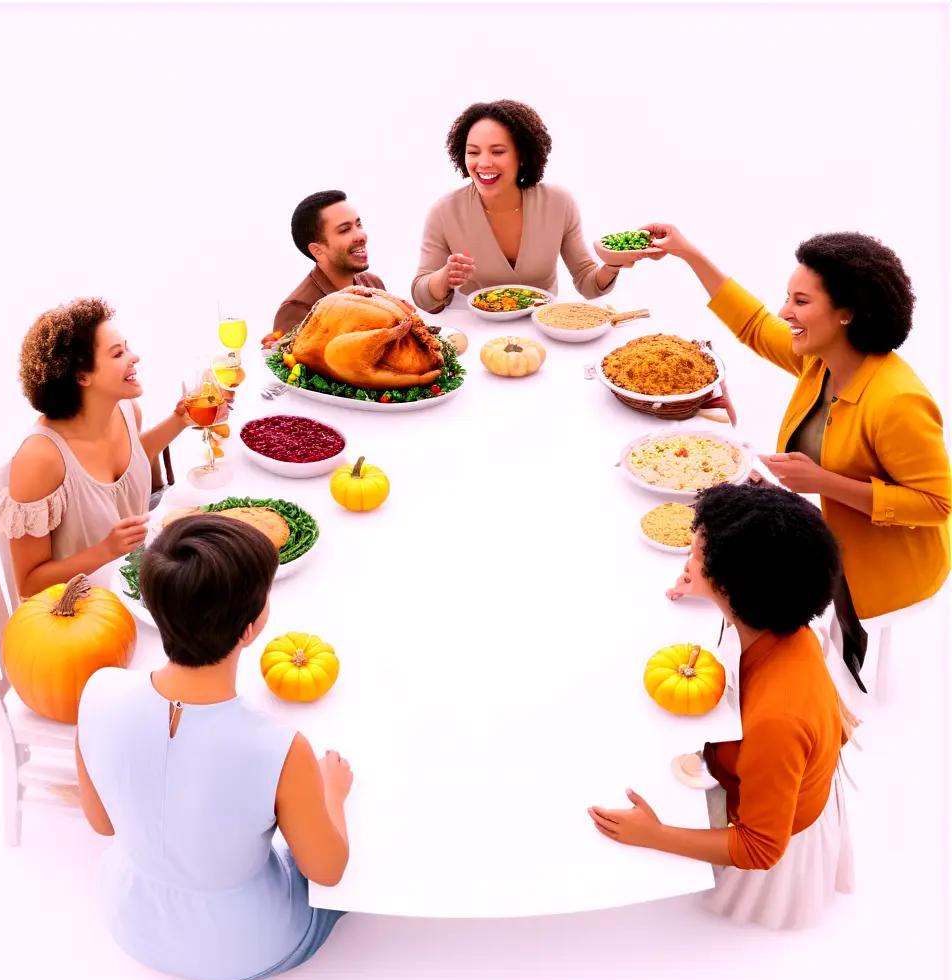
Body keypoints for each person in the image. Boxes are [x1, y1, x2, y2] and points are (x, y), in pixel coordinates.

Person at [653, 225, 950, 676]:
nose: (784, 312)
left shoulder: (898, 402)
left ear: (847, 313)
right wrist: (689, 254)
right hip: (823, 532)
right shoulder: (820, 359)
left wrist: (822, 482)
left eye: (801, 302)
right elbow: (754, 324)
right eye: (788, 297)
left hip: (885, 563)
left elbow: (938, 504)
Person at [76, 514, 352, 980]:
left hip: (132, 920)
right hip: (245, 946)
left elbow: (103, 823)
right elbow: (327, 871)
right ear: (250, 628)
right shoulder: (281, 748)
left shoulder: (98, 690)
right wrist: (333, 794)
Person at [589, 483, 853, 930]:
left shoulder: (777, 721)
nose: (686, 562)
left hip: (774, 831)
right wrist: (708, 591)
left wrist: (654, 836)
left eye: (696, 557)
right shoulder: (783, 621)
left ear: (737, 589)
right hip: (773, 776)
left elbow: (760, 849)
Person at [0, 298, 214, 598]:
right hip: (79, 610)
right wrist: (105, 550)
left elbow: (133, 457)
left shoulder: (126, 410)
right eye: (118, 353)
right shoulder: (40, 459)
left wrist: (179, 420)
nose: (134, 358)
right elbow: (29, 584)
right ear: (82, 376)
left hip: (135, 584)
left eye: (127, 347)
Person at [410, 99, 658, 313]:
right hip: (474, 333)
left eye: (498, 151)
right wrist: (443, 278)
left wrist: (613, 263)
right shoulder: (444, 211)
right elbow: (422, 297)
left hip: (542, 329)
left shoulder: (558, 203)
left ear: (523, 155)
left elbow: (588, 283)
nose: (483, 163)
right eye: (473, 152)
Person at [269, 190, 385, 337]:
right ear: (317, 250)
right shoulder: (297, 309)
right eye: (344, 230)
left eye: (358, 224)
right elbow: (290, 359)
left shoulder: (373, 284)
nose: (361, 236)